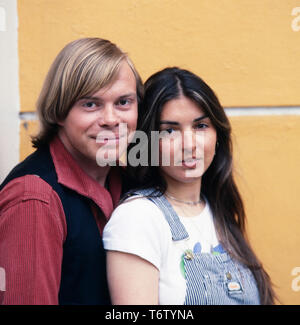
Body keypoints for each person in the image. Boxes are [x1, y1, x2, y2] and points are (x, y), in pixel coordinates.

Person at [103, 67, 276, 305]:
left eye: (200, 126)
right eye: (170, 130)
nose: (189, 144)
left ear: (218, 135)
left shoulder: (217, 209)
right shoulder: (138, 218)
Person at [0, 37, 143, 305]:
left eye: (123, 102)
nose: (111, 120)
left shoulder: (127, 180)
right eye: (91, 104)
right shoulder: (34, 198)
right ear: (59, 112)